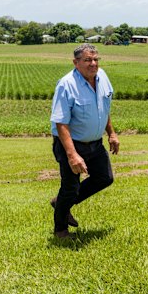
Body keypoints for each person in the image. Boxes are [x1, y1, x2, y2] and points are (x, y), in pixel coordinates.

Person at [50, 43, 120, 239]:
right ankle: (61, 231)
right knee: (70, 187)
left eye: (96, 59)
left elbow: (103, 109)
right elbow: (60, 123)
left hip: (95, 143)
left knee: (105, 178)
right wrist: (72, 155)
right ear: (76, 62)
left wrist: (112, 134)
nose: (93, 63)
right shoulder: (66, 84)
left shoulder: (103, 77)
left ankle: (61, 203)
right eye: (88, 60)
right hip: (71, 144)